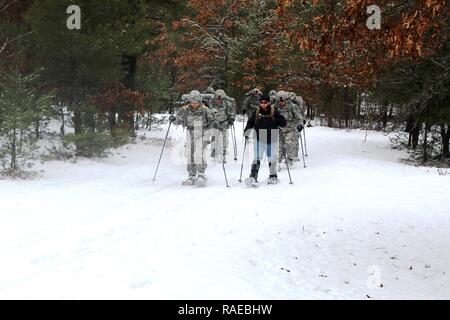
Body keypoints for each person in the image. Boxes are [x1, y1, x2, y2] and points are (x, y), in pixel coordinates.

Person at [169, 91, 218, 186]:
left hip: (203, 132)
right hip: (190, 132)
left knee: (199, 152)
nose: (194, 104)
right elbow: (178, 119)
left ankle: (201, 174)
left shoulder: (205, 109)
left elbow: (212, 120)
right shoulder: (185, 109)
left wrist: (214, 124)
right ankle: (191, 175)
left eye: (196, 103)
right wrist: (173, 119)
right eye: (192, 102)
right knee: (190, 153)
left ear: (200, 101)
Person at [243, 94, 287, 185]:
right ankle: (253, 176)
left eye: (265, 102)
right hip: (260, 136)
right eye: (261, 102)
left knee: (272, 157)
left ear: (269, 102)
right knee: (257, 158)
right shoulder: (257, 111)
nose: (263, 104)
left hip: (272, 136)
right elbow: (250, 122)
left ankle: (273, 176)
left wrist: (278, 120)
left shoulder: (274, 111)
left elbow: (283, 123)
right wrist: (247, 132)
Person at [275, 91, 304, 168]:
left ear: (286, 100)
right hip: (279, 129)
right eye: (279, 101)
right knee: (279, 145)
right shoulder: (275, 107)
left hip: (290, 128)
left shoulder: (292, 106)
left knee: (289, 143)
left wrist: (300, 125)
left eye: (282, 101)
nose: (281, 103)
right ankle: (278, 161)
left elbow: (299, 117)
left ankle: (290, 159)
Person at [210, 89, 236, 162]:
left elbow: (231, 113)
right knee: (214, 138)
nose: (218, 100)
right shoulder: (211, 103)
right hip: (215, 124)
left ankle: (223, 154)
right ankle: (214, 152)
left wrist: (231, 119)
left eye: (220, 98)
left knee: (224, 139)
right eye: (216, 98)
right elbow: (208, 113)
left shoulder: (227, 104)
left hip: (224, 123)